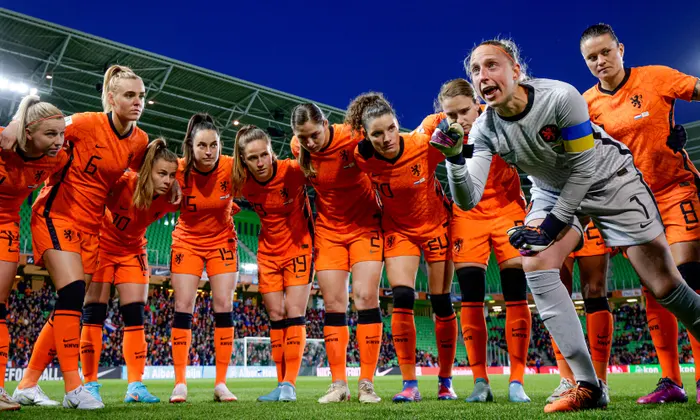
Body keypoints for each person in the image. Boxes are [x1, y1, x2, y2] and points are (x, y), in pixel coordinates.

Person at [433, 38, 700, 413]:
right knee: (536, 263)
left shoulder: (561, 97)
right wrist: (453, 160)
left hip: (611, 179)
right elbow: (467, 197)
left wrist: (554, 223)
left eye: (491, 65)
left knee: (665, 284)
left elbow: (584, 167)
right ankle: (588, 385)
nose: (482, 76)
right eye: (475, 70)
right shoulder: (483, 130)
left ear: (516, 71)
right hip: (550, 189)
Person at [6, 65, 152, 410]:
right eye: (129, 95)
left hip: (92, 228)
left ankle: (27, 383)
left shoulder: (139, 141)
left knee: (68, 307)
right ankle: (75, 388)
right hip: (57, 213)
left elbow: (147, 171)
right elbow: (43, 127)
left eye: (141, 96)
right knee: (71, 293)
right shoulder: (84, 123)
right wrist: (14, 125)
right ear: (111, 98)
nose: (137, 102)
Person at [580, 22, 700, 404]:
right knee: (656, 287)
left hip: (674, 189)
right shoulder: (586, 104)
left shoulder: (657, 77)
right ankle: (671, 381)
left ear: (621, 49)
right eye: (591, 57)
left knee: (690, 279)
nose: (600, 61)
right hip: (633, 204)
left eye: (605, 52)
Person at [417, 79, 532, 403]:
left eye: (464, 111)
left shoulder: (499, 116)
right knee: (470, 295)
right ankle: (480, 381)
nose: (459, 120)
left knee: (515, 292)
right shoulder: (436, 127)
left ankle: (516, 382)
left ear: (477, 102)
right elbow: (409, 152)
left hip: (508, 209)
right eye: (450, 114)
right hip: (467, 216)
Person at [347, 92, 458, 403]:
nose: (386, 138)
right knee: (403, 297)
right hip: (399, 231)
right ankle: (409, 383)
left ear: (398, 124)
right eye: (377, 133)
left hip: (437, 225)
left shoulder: (423, 145)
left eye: (391, 128)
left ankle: (445, 381)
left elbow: (449, 117)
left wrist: (447, 118)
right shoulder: (363, 157)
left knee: (441, 301)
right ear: (367, 136)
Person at [290, 104, 383, 403]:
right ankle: (338, 384)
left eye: (314, 135)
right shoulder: (298, 147)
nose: (309, 143)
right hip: (329, 233)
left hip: (365, 226)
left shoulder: (353, 137)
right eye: (303, 138)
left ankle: (366, 383)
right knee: (333, 303)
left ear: (326, 124)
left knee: (366, 297)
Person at [79, 138, 178, 404]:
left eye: (172, 175)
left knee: (135, 317)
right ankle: (89, 384)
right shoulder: (123, 184)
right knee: (94, 314)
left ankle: (135, 385)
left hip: (134, 250)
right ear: (147, 171)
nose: (168, 180)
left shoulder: (171, 196)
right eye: (162, 173)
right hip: (102, 246)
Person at [232, 125, 313, 402]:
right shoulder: (243, 182)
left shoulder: (291, 171)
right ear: (244, 160)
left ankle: (290, 385)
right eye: (253, 158)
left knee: (294, 312)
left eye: (264, 155)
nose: (260, 162)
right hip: (267, 253)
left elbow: (324, 174)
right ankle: (281, 384)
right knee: (276, 314)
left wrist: (303, 147)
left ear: (271, 152)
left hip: (301, 247)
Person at [0, 96, 68, 411]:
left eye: (61, 134)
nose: (58, 141)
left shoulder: (55, 158)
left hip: (7, 227)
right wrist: (12, 124)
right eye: (50, 135)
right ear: (28, 132)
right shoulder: (3, 141)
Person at [169, 113, 238, 403]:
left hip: (222, 240)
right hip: (187, 241)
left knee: (224, 306)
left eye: (214, 145)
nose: (209, 152)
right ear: (191, 146)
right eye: (202, 146)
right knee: (183, 307)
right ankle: (180, 382)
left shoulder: (232, 167)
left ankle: (221, 383)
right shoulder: (178, 170)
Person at [548, 223, 613, 403]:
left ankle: (600, 382)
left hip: (590, 210)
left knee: (595, 290)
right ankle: (567, 379)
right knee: (558, 291)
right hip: (555, 212)